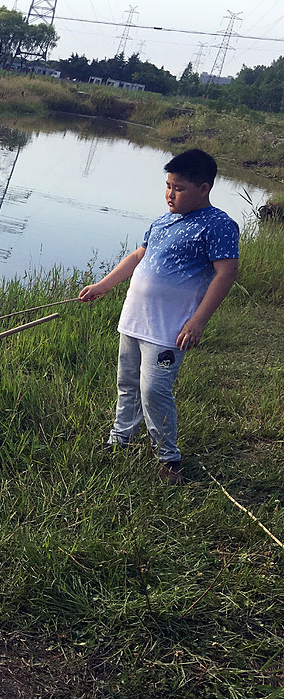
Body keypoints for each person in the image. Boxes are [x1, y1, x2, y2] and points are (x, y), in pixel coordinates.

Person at [79, 149, 239, 484]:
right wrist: (103, 285)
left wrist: (198, 321)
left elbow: (225, 274)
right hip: (134, 321)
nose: (169, 193)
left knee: (154, 390)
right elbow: (138, 256)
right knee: (128, 385)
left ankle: (168, 457)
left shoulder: (219, 225)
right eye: (168, 185)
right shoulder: (162, 221)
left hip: (169, 330)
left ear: (204, 188)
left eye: (178, 188)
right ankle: (119, 440)